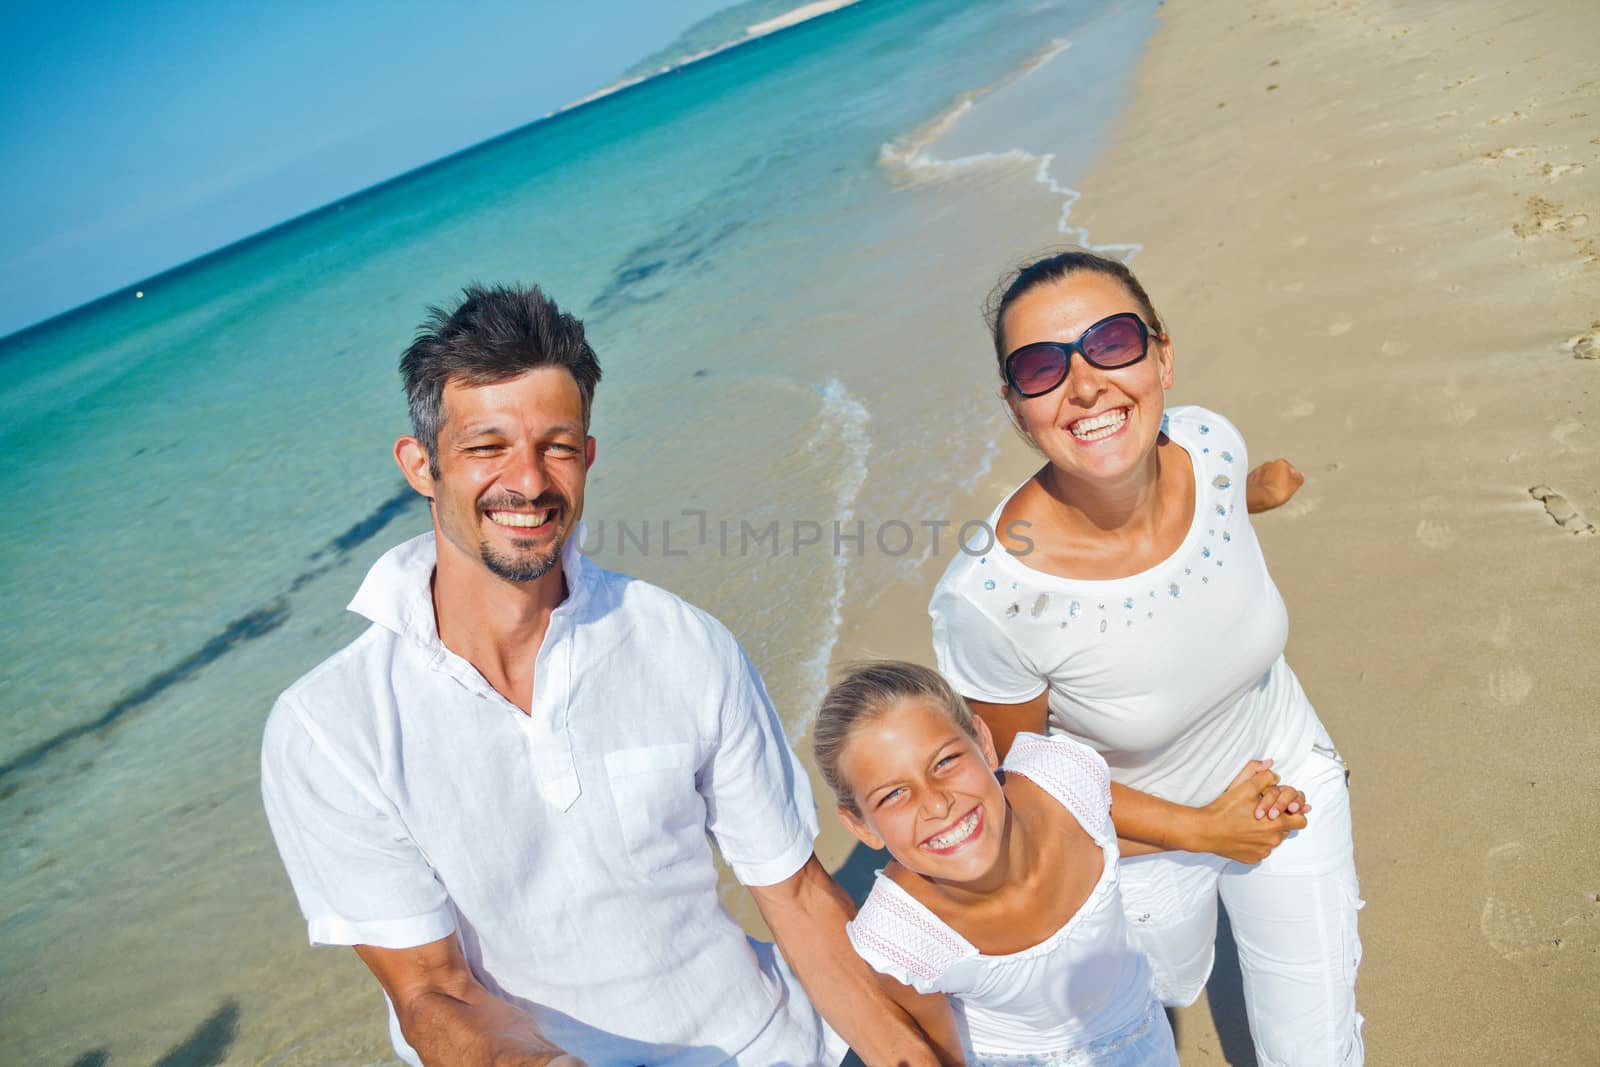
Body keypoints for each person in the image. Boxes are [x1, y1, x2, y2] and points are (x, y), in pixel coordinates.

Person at [261, 284, 940, 1067]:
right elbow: (431, 993)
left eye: (556, 445)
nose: (529, 480)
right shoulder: (329, 726)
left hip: (763, 1045)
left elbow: (794, 895)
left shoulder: (679, 640)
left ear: (586, 457)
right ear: (421, 465)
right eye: (486, 447)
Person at [928, 249, 1362, 1065]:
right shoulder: (993, 596)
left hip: (1289, 771)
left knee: (1318, 1046)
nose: (1085, 383)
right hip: (1141, 854)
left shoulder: (1212, 444)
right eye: (1041, 365)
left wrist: (1254, 491)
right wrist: (1204, 829)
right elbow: (1023, 776)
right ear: (1017, 406)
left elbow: (1210, 516)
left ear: (1162, 353)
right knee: (1158, 1002)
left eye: (1112, 341)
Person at [813, 661, 1183, 1067]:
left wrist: (1220, 829)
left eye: (944, 762)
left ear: (984, 743)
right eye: (893, 794)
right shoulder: (902, 941)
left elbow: (1105, 832)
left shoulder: (1062, 782)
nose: (937, 803)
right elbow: (944, 1053)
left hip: (1143, 1033)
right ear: (861, 826)